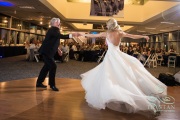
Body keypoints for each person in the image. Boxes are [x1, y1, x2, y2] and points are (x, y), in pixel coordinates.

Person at [80, 18, 167, 116]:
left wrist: (83, 34)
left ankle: (121, 96)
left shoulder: (106, 34)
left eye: (107, 25)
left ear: (109, 25)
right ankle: (147, 102)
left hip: (110, 57)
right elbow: (133, 36)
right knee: (122, 76)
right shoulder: (120, 32)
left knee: (110, 77)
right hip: (118, 55)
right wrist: (144, 36)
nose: (107, 26)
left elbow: (93, 35)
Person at [36, 17, 80, 91]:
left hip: (47, 52)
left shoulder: (53, 30)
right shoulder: (54, 29)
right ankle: (52, 85)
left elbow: (53, 42)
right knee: (53, 66)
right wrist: (72, 35)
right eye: (58, 22)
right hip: (47, 52)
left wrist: (58, 49)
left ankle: (39, 82)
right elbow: (61, 36)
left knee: (46, 67)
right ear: (55, 23)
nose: (59, 24)